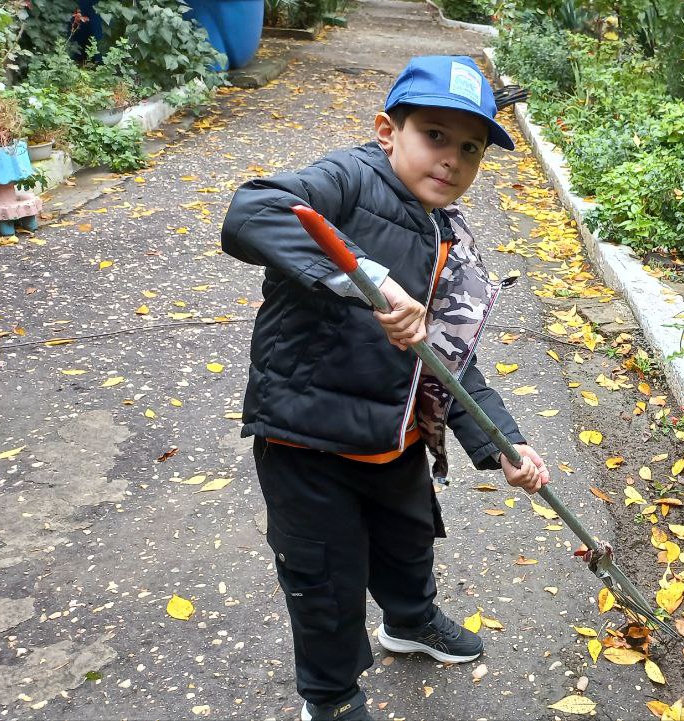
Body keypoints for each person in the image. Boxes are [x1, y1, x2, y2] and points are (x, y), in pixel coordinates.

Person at [220, 55, 550, 721]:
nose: (452, 160)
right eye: (434, 135)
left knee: (408, 544)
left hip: (392, 439)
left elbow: (450, 359)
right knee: (326, 583)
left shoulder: (446, 231)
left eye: (470, 148)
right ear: (386, 130)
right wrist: (363, 275)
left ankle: (410, 620)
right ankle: (332, 696)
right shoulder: (349, 180)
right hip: (307, 443)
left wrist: (506, 442)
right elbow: (252, 209)